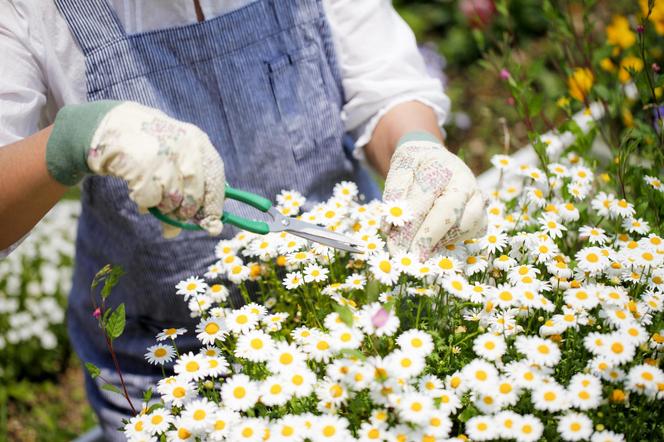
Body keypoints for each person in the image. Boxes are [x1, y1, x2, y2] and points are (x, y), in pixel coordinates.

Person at [0, 0, 487, 439]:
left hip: (350, 316)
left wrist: (416, 148)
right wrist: (71, 142)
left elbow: (385, 85)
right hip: (171, 370)